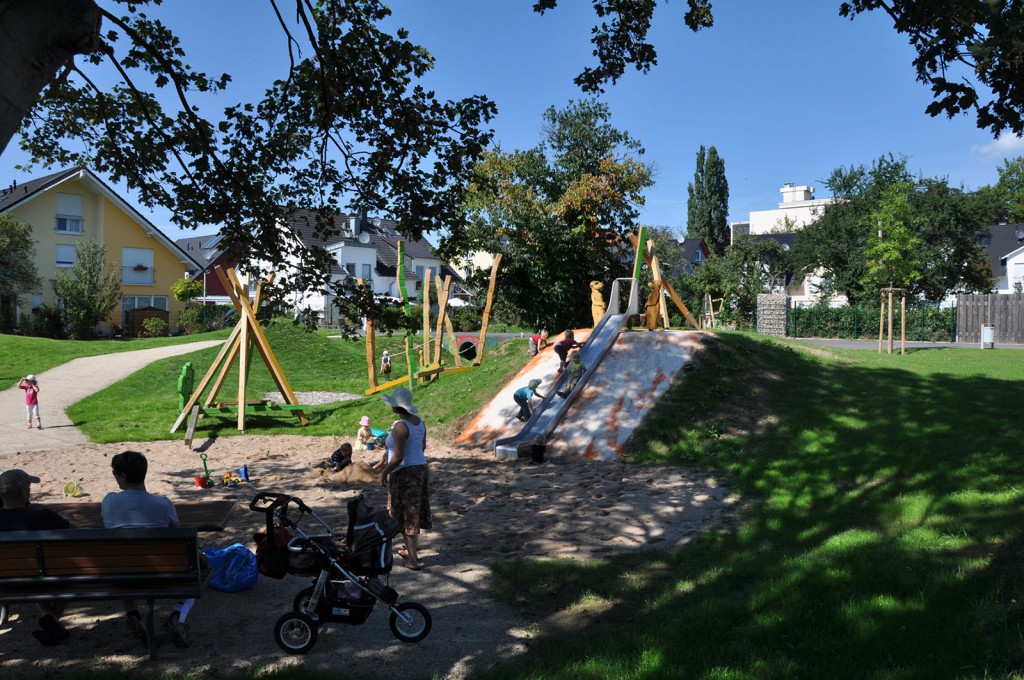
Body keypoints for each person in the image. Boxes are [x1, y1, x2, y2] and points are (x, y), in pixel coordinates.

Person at [101, 451, 193, 648]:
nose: (115, 478)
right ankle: (178, 615)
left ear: (123, 476)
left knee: (124, 557)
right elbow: (177, 532)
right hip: (160, 574)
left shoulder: (109, 501)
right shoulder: (163, 504)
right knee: (195, 562)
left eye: (115, 474)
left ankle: (133, 613)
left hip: (120, 575)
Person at [0, 469, 74, 646]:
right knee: (67, 575)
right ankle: (52, 619)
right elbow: (75, 530)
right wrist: (67, 518)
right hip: (43, 579)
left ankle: (50, 620)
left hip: (5, 581)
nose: (30, 490)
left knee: (34, 572)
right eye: (28, 487)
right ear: (22, 492)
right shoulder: (43, 516)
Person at [373, 387, 430, 571]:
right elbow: (421, 447)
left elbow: (398, 457)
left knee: (408, 516)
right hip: (420, 469)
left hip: (405, 472)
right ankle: (410, 551)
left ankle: (413, 560)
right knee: (411, 514)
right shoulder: (419, 422)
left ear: (397, 407)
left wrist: (384, 472)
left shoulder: (400, 426)